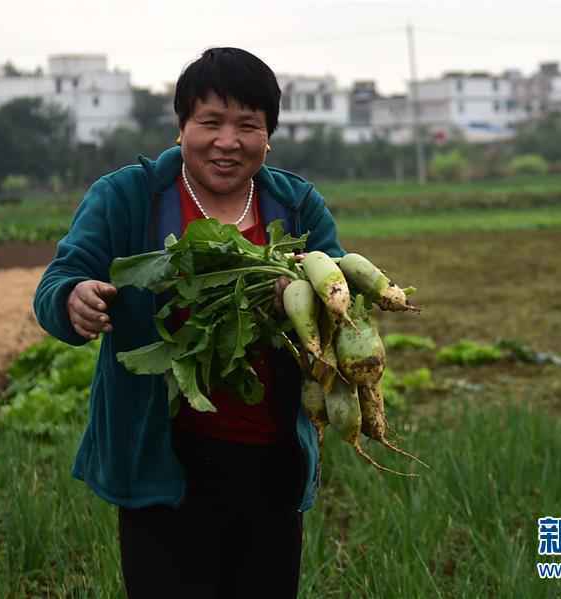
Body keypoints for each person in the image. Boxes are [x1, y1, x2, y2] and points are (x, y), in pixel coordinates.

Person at [33, 47, 344, 598]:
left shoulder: (297, 206)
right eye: (210, 122)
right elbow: (58, 283)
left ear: (268, 136)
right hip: (160, 465)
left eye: (248, 125)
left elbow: (337, 304)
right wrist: (73, 300)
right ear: (181, 127)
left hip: (270, 463)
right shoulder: (127, 197)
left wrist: (300, 299)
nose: (228, 141)